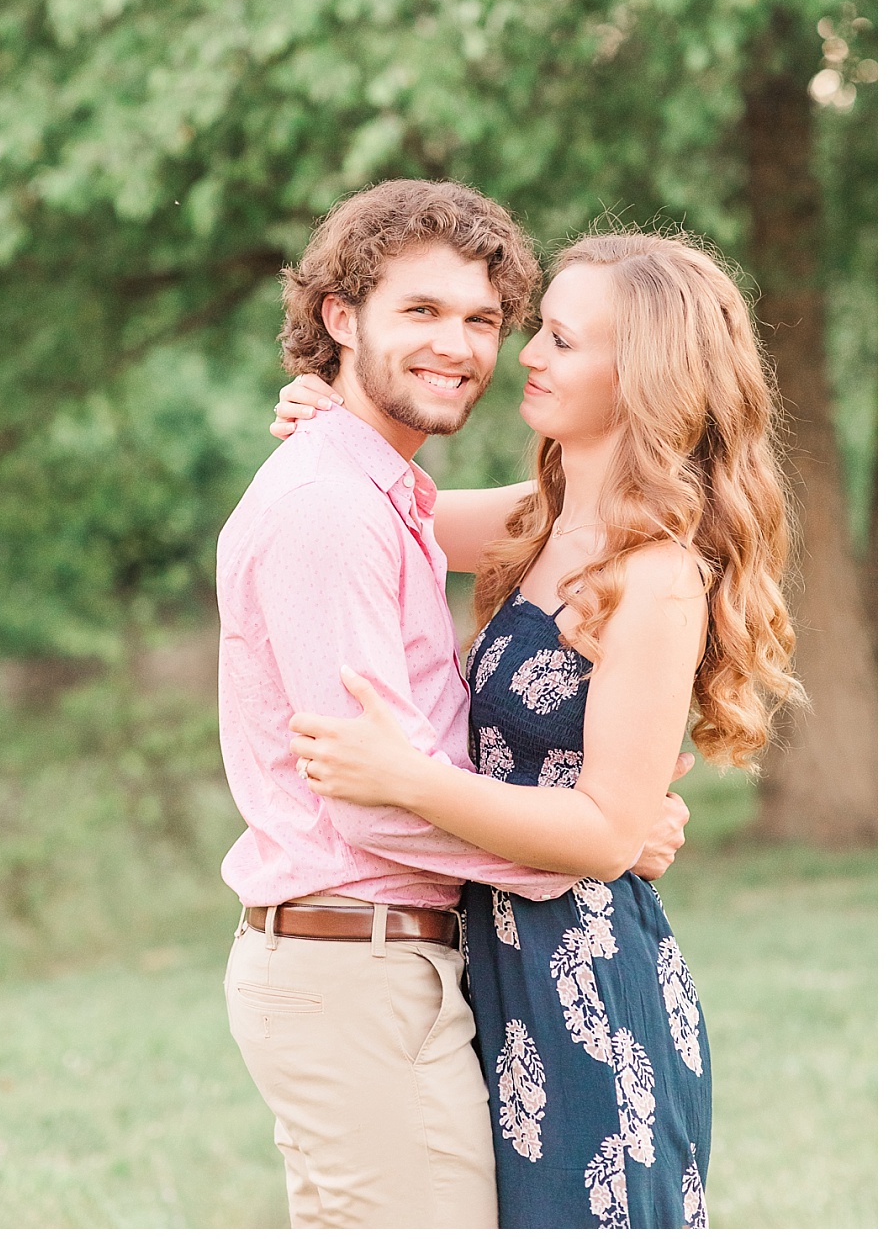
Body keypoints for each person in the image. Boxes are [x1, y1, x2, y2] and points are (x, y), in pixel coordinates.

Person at [276, 230, 800, 1228]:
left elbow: (605, 833)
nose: (523, 353)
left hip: (582, 988)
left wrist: (404, 777)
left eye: (558, 338)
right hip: (489, 961)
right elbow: (374, 512)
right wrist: (327, 418)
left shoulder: (652, 576)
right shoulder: (538, 519)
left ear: (640, 376)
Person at [218, 181, 692, 1229]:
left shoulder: (399, 500)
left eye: (488, 320)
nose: (483, 349)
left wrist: (601, 823)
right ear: (340, 319)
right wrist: (588, 842)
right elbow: (371, 799)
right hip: (361, 961)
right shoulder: (340, 505)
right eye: (421, 313)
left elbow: (554, 525)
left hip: (452, 961)